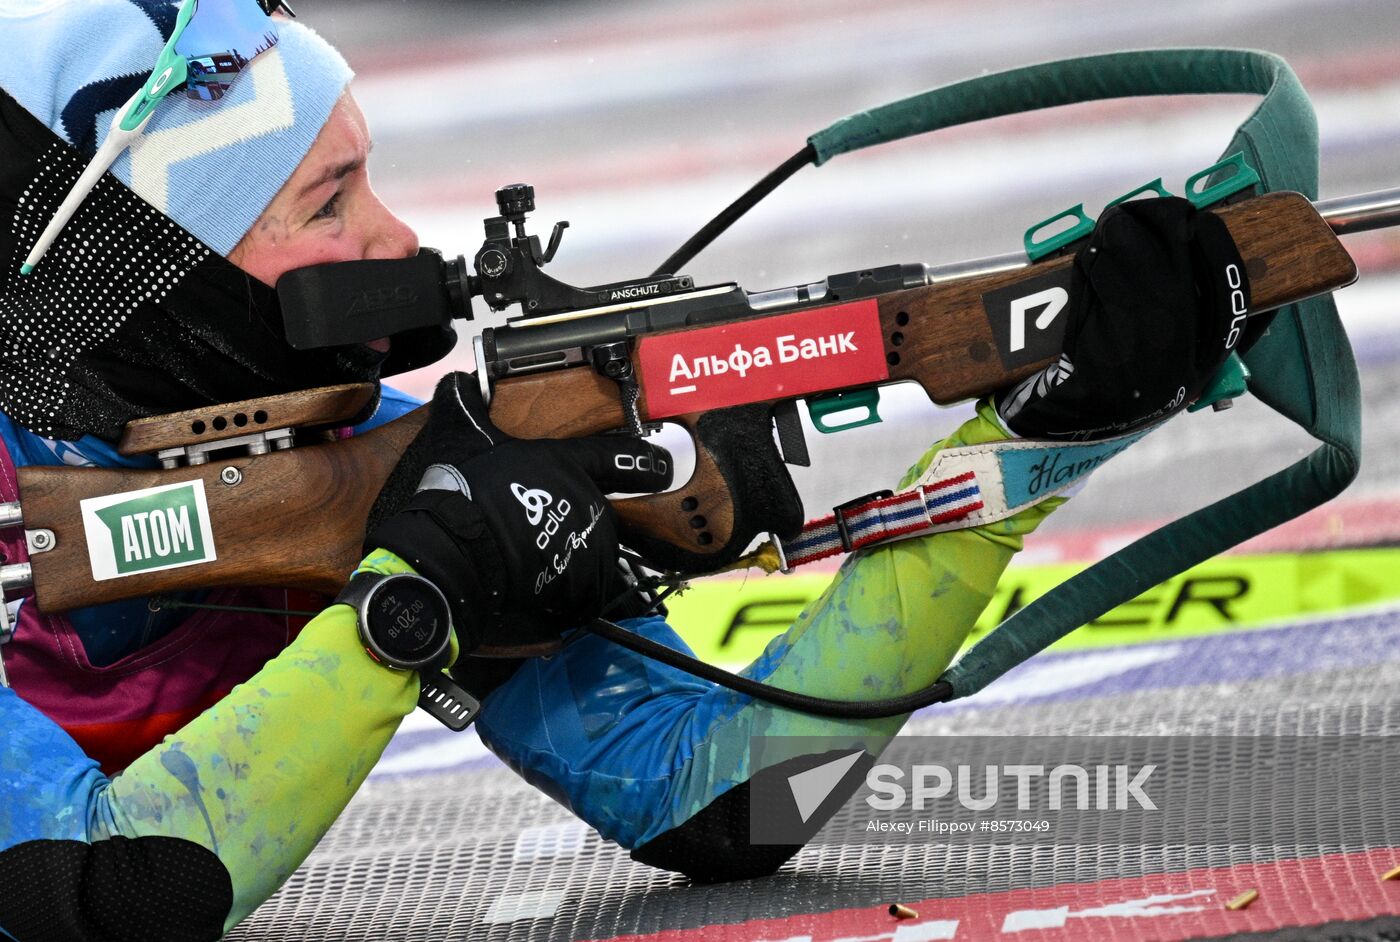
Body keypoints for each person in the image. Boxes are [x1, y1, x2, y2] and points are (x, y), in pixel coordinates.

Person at [0, 2, 1247, 939]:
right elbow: (119, 898)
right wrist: (413, 605)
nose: (395, 243)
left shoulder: (338, 451)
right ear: (136, 271)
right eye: (328, 205)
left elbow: (733, 805)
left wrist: (1040, 434)